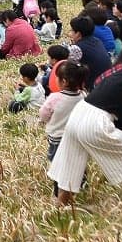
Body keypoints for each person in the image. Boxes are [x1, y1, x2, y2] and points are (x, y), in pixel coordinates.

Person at [47, 38, 122, 207]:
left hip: (79, 114)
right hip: (95, 121)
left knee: (71, 163)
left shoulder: (117, 72)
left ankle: (61, 204)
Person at [38, 60, 87, 195]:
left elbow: (43, 114)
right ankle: (81, 183)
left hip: (57, 138)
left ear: (64, 81)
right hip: (77, 137)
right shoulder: (83, 96)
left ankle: (59, 191)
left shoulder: (55, 98)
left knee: (58, 164)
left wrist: (44, 121)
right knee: (77, 161)